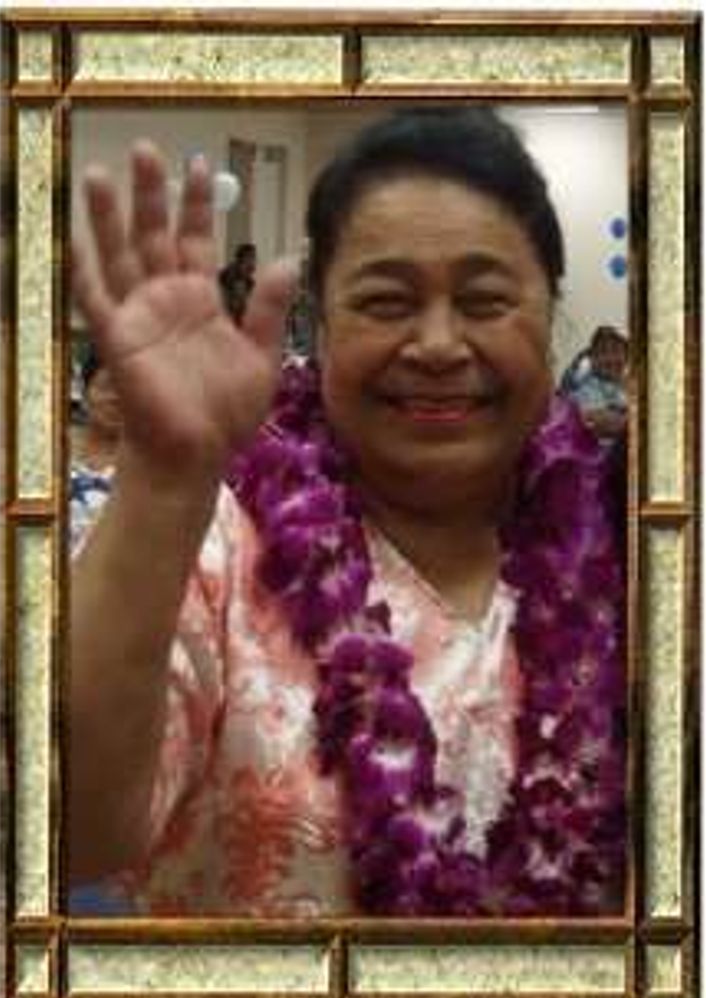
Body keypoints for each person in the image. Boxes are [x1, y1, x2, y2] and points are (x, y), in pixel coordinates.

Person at [70, 107, 625, 918]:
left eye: (484, 301)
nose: (438, 344)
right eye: (387, 302)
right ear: (322, 326)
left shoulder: (630, 545)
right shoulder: (214, 542)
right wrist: (161, 482)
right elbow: (72, 834)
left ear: (549, 315)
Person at [69, 347, 122, 556]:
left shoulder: (153, 471)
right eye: (107, 387)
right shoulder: (49, 458)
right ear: (84, 391)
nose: (117, 398)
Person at [560, 325, 628, 443]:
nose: (611, 358)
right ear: (592, 359)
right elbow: (604, 422)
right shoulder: (587, 386)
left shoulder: (626, 384)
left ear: (626, 356)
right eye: (603, 352)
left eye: (616, 351)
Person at [218, 242, 257, 324]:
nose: (254, 262)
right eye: (252, 258)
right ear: (244, 259)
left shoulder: (249, 282)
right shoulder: (229, 277)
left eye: (254, 258)